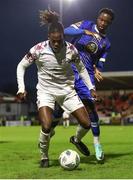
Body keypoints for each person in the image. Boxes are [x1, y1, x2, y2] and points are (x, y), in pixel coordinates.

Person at [16, 21, 98, 168]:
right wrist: (21, 88)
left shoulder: (71, 50)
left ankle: (76, 139)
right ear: (48, 37)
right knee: (46, 126)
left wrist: (91, 87)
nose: (56, 44)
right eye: (53, 41)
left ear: (63, 37)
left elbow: (82, 69)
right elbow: (21, 65)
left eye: (59, 40)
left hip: (67, 92)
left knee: (86, 124)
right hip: (45, 92)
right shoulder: (38, 49)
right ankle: (44, 156)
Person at [40, 8, 115, 162]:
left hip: (85, 74)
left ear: (110, 23)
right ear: (98, 18)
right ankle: (50, 131)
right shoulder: (86, 24)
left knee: (91, 108)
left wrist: (97, 70)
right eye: (101, 19)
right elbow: (66, 31)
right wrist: (83, 32)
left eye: (106, 21)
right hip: (68, 70)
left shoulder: (106, 43)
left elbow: (100, 63)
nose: (102, 23)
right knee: (59, 108)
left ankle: (96, 144)